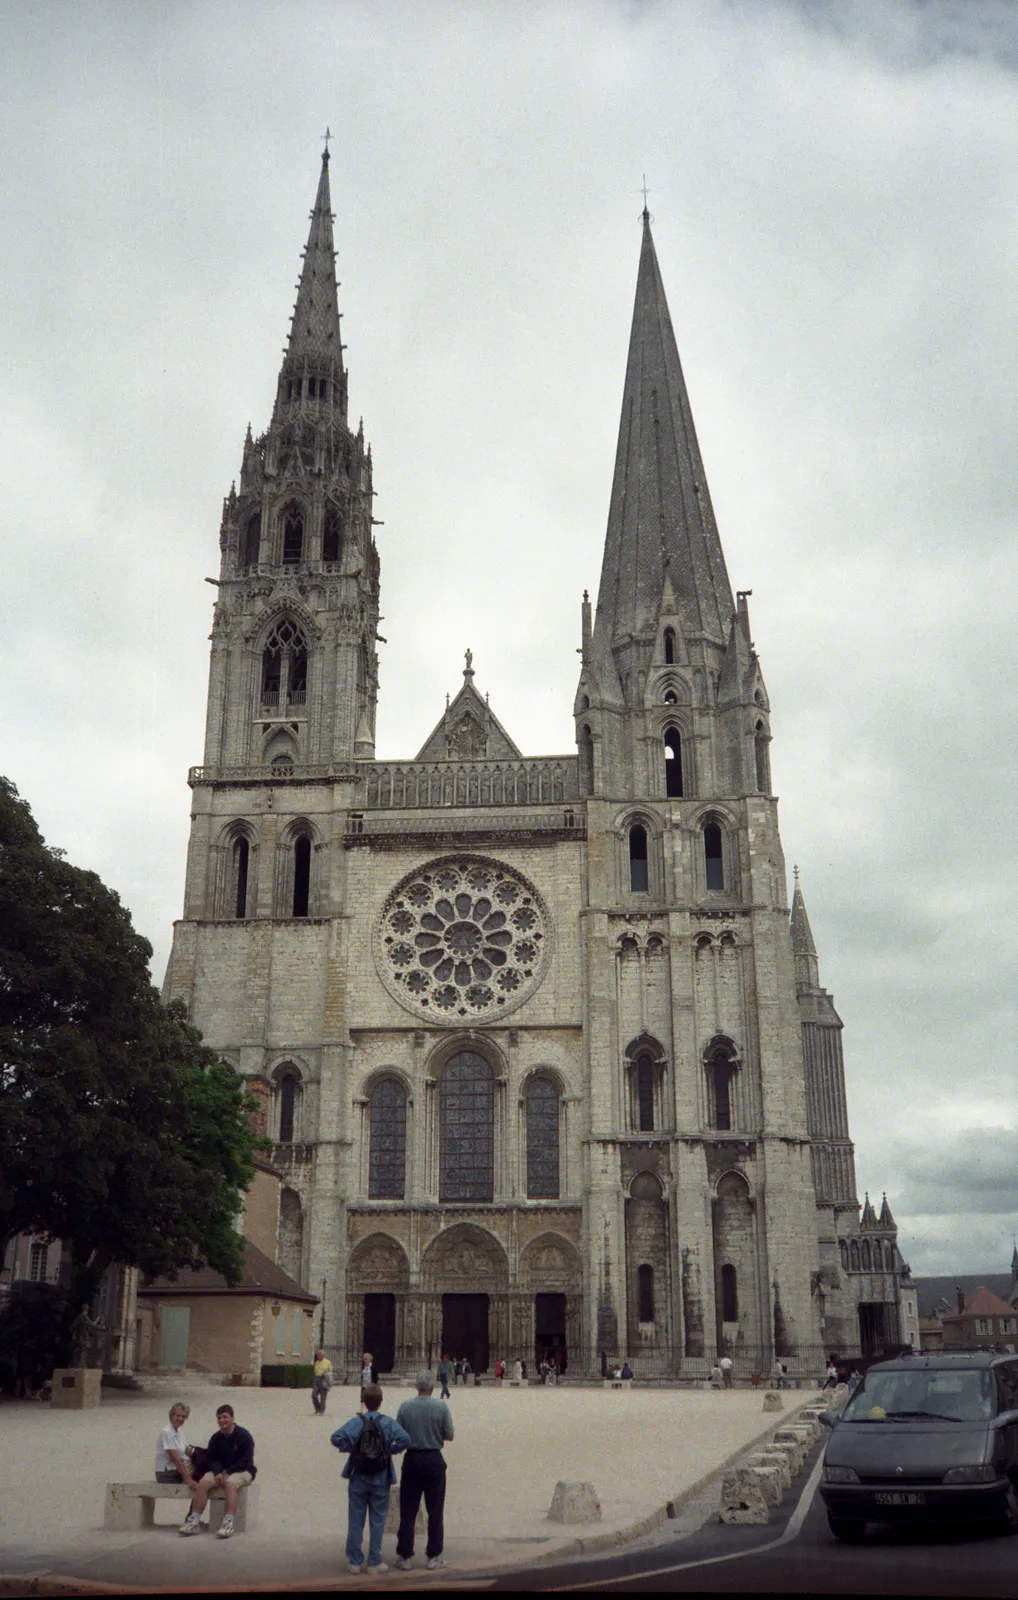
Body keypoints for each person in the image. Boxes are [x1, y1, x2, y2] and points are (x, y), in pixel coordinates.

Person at [331, 1383, 410, 1575]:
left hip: (358, 1475)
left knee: (356, 1519)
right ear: (380, 1402)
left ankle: (355, 1561)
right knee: (377, 1520)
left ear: (364, 1402)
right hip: (380, 1476)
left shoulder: (356, 1422)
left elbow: (335, 1438)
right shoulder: (388, 1422)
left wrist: (352, 1448)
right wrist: (389, 1450)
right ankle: (374, 1561)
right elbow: (405, 1439)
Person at [393, 1371, 454, 1572]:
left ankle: (404, 1556)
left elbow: (398, 1435)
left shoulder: (405, 1406)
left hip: (411, 1459)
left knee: (408, 1510)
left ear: (416, 1388)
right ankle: (434, 1556)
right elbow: (450, 1435)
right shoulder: (441, 1406)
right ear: (433, 1388)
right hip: (434, 1459)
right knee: (435, 1510)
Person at [179, 1404, 256, 1540]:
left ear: (232, 1418)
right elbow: (211, 1458)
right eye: (219, 1418)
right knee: (203, 1484)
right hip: (220, 1471)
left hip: (242, 1470)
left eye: (225, 1417)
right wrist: (218, 1472)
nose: (222, 1420)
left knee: (230, 1484)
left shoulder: (244, 1436)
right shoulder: (216, 1438)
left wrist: (228, 1472)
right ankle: (194, 1521)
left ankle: (228, 1523)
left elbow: (246, 1460)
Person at [156, 1402, 197, 1487]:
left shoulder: (179, 1431)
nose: (180, 1418)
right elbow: (175, 1459)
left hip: (176, 1470)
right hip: (166, 1474)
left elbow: (187, 1450)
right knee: (198, 1481)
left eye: (183, 1416)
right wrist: (188, 1479)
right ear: (171, 1416)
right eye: (177, 1415)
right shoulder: (166, 1432)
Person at [312, 1348, 333, 1415]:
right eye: (317, 1355)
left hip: (324, 1379)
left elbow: (330, 1371)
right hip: (316, 1379)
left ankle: (322, 1410)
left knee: (323, 1397)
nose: (318, 1356)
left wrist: (328, 1379)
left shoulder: (327, 1362)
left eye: (319, 1355)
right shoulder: (316, 1362)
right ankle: (317, 1408)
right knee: (313, 1395)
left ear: (322, 1355)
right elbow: (315, 1371)